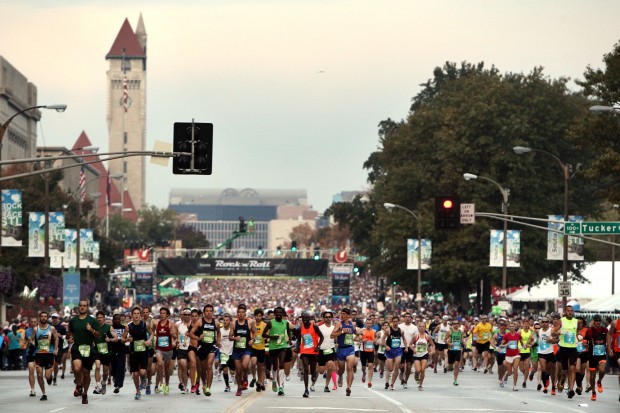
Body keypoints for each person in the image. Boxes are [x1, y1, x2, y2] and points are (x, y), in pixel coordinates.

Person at [67, 299, 101, 404]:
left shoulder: (93, 321)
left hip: (88, 348)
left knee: (86, 373)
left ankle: (85, 393)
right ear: (78, 307)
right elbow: (70, 333)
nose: (82, 307)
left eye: (84, 306)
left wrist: (91, 330)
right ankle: (79, 384)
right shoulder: (73, 321)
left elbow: (99, 335)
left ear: (87, 307)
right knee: (77, 368)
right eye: (81, 306)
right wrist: (70, 338)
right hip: (77, 347)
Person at [122, 305, 153, 400]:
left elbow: (152, 333)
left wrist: (149, 341)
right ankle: (137, 391)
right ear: (132, 315)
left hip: (143, 351)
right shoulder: (128, 326)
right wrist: (127, 339)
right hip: (133, 352)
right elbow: (123, 339)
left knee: (143, 372)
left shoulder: (145, 324)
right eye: (134, 314)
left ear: (140, 315)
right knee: (135, 374)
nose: (136, 315)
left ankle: (143, 378)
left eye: (138, 314)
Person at [263, 306, 294, 396]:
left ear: (282, 314)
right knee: (275, 366)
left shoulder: (286, 323)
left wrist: (289, 339)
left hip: (283, 346)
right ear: (275, 314)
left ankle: (281, 387)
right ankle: (274, 381)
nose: (279, 314)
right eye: (277, 313)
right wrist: (272, 337)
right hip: (273, 347)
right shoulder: (270, 323)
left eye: (281, 313)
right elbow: (263, 334)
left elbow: (288, 332)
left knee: (281, 365)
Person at [552, 305, 579, 399]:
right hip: (563, 348)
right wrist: (560, 333)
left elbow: (578, 332)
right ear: (565, 311)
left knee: (572, 368)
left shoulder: (576, 321)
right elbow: (553, 333)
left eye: (572, 311)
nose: (570, 312)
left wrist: (579, 337)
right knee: (564, 371)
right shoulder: (561, 321)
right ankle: (562, 382)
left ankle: (571, 389)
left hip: (573, 348)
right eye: (568, 311)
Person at [32, 311, 59, 401]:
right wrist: (28, 342)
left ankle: (50, 377)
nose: (43, 318)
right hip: (39, 354)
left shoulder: (51, 328)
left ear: (47, 318)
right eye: (42, 316)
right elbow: (32, 339)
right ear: (39, 318)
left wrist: (55, 349)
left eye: (45, 316)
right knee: (39, 374)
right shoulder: (36, 329)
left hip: (49, 354)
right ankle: (44, 393)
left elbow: (56, 339)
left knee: (47, 376)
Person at [331, 308, 359, 396]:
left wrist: (359, 336)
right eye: (341, 313)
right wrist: (342, 331)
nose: (342, 315)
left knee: (350, 368)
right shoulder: (339, 324)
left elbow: (355, 332)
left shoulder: (352, 324)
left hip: (350, 348)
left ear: (348, 315)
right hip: (341, 349)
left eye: (343, 314)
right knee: (341, 370)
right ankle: (340, 376)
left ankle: (348, 387)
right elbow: (332, 336)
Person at [296, 312, 323, 397]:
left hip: (313, 351)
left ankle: (314, 376)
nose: (304, 320)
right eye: (303, 318)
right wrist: (297, 348)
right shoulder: (300, 328)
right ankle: (306, 390)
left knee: (313, 370)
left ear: (309, 319)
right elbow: (298, 339)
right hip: (304, 351)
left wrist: (318, 346)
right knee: (305, 369)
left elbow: (321, 337)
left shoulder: (314, 326)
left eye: (306, 318)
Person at [230, 304, 255, 397]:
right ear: (237, 314)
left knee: (245, 365)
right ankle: (239, 388)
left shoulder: (250, 322)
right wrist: (234, 338)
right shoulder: (233, 323)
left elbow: (255, 332)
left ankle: (245, 376)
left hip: (246, 349)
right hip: (237, 350)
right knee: (238, 370)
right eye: (239, 312)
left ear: (245, 313)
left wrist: (253, 340)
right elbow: (230, 337)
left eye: (242, 312)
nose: (240, 314)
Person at [92, 310, 118, 395]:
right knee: (98, 366)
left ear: (104, 318)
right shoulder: (93, 327)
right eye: (98, 318)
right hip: (97, 351)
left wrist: (109, 340)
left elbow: (116, 338)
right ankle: (98, 385)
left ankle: (103, 383)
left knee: (106, 372)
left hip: (106, 352)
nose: (99, 319)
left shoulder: (108, 327)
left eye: (101, 318)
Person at [154, 307, 177, 395]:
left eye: (164, 313)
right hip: (159, 348)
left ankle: (167, 384)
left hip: (168, 349)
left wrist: (172, 335)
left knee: (167, 369)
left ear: (167, 315)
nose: (162, 315)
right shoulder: (157, 323)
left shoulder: (171, 324)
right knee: (160, 364)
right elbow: (151, 330)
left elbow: (175, 337)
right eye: (161, 313)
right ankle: (161, 383)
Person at [585, 314, 608, 401]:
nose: (598, 322)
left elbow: (609, 339)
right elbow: (585, 340)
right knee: (592, 376)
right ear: (593, 321)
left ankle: (599, 381)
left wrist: (609, 348)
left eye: (599, 321)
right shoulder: (589, 331)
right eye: (596, 321)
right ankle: (593, 392)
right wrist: (585, 342)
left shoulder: (605, 330)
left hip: (602, 354)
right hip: (592, 356)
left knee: (603, 370)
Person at [317, 311, 337, 392]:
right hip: (321, 350)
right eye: (326, 317)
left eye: (329, 317)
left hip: (330, 349)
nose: (328, 318)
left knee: (330, 366)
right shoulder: (319, 327)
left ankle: (326, 386)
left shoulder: (334, 328)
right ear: (323, 318)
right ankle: (322, 369)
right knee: (321, 371)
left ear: (331, 318)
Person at [412, 320, 435, 391]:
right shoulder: (416, 336)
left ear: (425, 328)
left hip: (424, 354)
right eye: (420, 326)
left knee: (422, 370)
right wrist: (413, 349)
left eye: (423, 327)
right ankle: (416, 374)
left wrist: (432, 351)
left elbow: (433, 345)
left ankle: (420, 385)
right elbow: (410, 344)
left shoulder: (427, 336)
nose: (422, 328)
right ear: (418, 328)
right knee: (418, 370)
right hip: (416, 355)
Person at [399, 313, 419, 388]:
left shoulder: (414, 327)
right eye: (406, 317)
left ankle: (405, 381)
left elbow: (416, 338)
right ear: (404, 318)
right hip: (401, 347)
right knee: (401, 365)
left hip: (410, 347)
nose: (407, 318)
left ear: (411, 318)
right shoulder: (400, 326)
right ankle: (401, 371)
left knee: (409, 366)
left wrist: (415, 348)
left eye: (409, 317)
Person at [383, 315, 403, 391]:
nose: (395, 323)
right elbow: (382, 339)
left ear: (398, 322)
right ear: (392, 322)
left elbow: (404, 339)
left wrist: (406, 347)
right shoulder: (388, 330)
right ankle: (387, 380)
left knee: (397, 366)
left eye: (396, 321)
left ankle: (392, 384)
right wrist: (386, 346)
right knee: (390, 369)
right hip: (390, 351)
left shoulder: (400, 331)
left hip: (398, 350)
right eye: (394, 321)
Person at [175, 308, 193, 394]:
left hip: (191, 348)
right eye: (185, 314)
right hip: (181, 349)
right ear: (182, 315)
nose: (186, 316)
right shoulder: (178, 325)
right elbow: (175, 335)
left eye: (188, 315)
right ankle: (185, 386)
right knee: (183, 366)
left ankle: (193, 384)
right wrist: (175, 341)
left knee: (189, 367)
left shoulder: (194, 325)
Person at [109, 313, 127, 394]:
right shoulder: (110, 328)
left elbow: (127, 338)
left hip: (121, 350)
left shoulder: (124, 328)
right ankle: (114, 377)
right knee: (114, 367)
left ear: (121, 319)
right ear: (113, 319)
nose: (117, 320)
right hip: (112, 350)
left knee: (121, 367)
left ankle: (118, 385)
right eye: (115, 319)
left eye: (118, 319)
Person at [250, 308, 267, 392]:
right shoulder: (252, 323)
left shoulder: (264, 325)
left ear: (262, 316)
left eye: (260, 316)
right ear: (254, 316)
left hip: (262, 348)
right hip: (253, 347)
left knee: (260, 367)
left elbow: (267, 334)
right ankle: (253, 377)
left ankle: (259, 382)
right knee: (253, 362)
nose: (258, 317)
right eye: (256, 316)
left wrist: (266, 337)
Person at [445, 319, 464, 386]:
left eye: (457, 324)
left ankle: (455, 380)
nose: (456, 325)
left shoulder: (461, 332)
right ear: (452, 325)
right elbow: (445, 340)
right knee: (451, 366)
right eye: (454, 324)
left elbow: (461, 339)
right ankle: (449, 367)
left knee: (456, 364)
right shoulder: (450, 332)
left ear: (458, 324)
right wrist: (449, 343)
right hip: (451, 350)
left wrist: (463, 342)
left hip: (458, 350)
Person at [50, 313, 67, 385]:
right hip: (50, 346)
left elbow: (66, 337)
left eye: (55, 318)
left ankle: (55, 376)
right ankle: (49, 375)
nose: (54, 319)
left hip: (59, 347)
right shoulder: (49, 327)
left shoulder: (62, 327)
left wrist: (60, 336)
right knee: (50, 363)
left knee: (56, 363)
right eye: (53, 318)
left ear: (58, 318)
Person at [360, 317, 376, 388]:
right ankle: (364, 373)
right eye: (367, 323)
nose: (369, 325)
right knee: (363, 367)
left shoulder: (374, 331)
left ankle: (369, 381)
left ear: (372, 324)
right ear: (365, 324)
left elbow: (375, 339)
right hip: (363, 350)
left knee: (370, 365)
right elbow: (359, 338)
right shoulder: (362, 331)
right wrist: (362, 339)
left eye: (370, 323)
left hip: (370, 351)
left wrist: (375, 341)